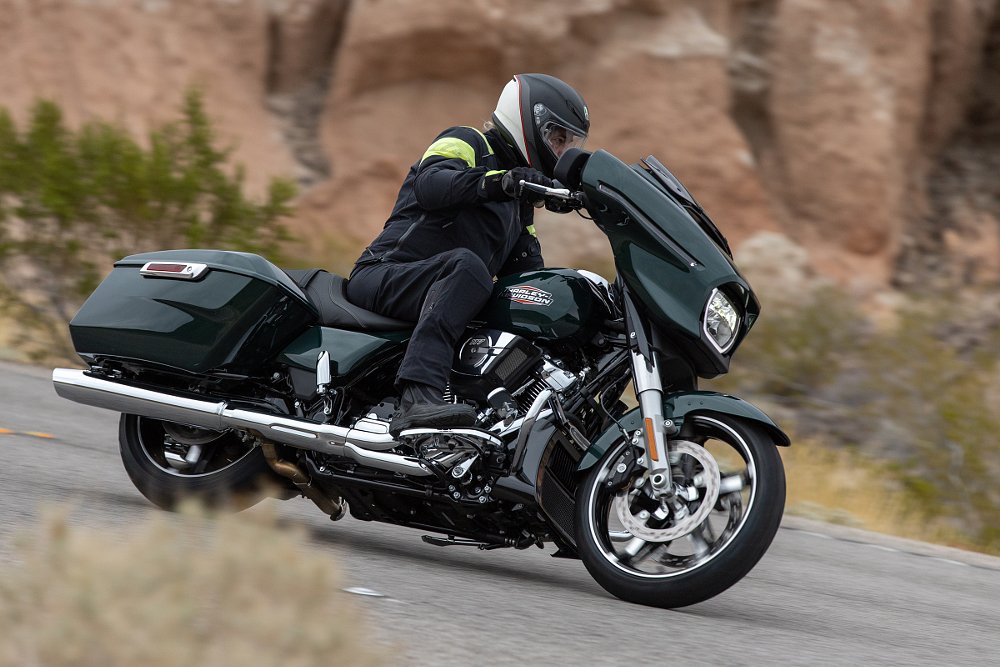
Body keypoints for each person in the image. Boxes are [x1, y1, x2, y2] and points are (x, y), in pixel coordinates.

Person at [346, 73, 590, 436]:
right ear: (530, 120)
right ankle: (417, 398)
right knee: (468, 268)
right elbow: (431, 185)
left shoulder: (519, 208)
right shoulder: (467, 140)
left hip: (435, 292)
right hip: (384, 273)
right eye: (557, 139)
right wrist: (500, 182)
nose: (559, 151)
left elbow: (526, 275)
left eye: (566, 143)